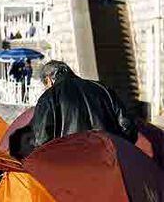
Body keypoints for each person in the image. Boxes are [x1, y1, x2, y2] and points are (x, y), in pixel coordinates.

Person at [9, 60, 138, 159]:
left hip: (69, 163)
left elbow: (41, 139)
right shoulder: (102, 89)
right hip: (106, 159)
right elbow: (127, 126)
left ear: (49, 79)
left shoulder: (49, 97)